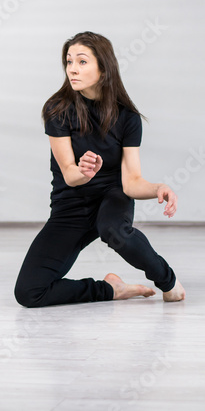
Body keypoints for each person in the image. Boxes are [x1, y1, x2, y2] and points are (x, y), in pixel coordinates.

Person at [14, 31, 185, 308]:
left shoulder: (127, 118)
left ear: (103, 69)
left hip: (112, 196)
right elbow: (69, 174)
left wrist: (158, 188)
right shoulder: (58, 109)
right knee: (29, 293)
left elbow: (131, 183)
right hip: (71, 202)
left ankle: (168, 281)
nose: (72, 69)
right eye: (69, 61)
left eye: (82, 62)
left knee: (114, 230)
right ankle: (111, 289)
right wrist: (84, 171)